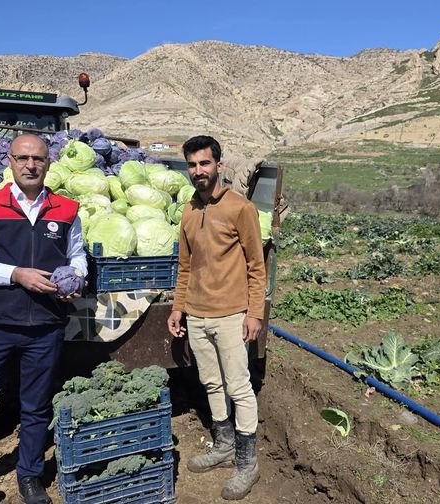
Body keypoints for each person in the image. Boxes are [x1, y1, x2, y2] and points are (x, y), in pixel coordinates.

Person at [0, 133, 86, 504]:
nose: (30, 165)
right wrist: (16, 274)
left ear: (48, 163)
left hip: (45, 325)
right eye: (23, 158)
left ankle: (30, 476)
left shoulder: (67, 209)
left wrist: (77, 278)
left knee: (36, 405)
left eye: (38, 159)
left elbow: (78, 256)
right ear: (9, 161)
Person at [167, 135, 266, 500]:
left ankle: (247, 461)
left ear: (218, 166)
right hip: (197, 314)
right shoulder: (190, 211)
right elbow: (185, 266)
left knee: (239, 387)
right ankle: (223, 446)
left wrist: (254, 313)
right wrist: (179, 307)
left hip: (230, 315)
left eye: (204, 164)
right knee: (210, 383)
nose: (198, 171)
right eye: (192, 165)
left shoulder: (241, 208)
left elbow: (257, 266)